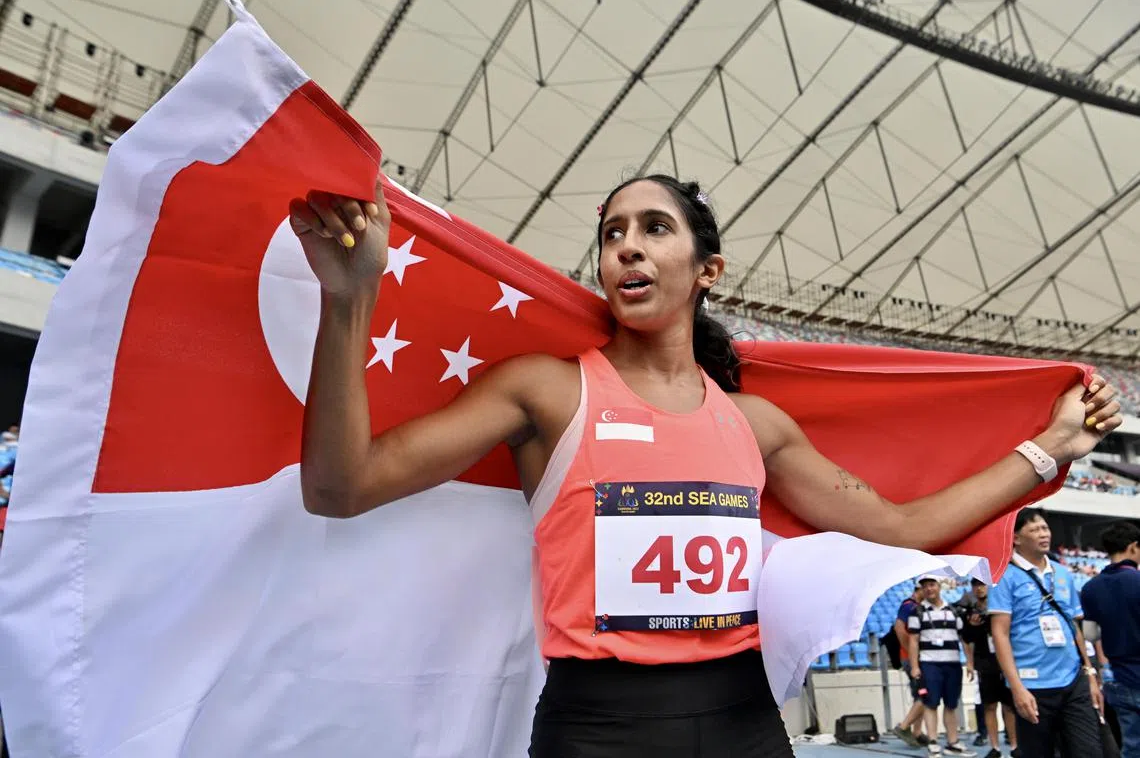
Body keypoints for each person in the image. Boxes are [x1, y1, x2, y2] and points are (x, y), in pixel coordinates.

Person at [290, 174, 1124, 757]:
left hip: (742, 722)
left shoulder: (755, 425)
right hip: (597, 729)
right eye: (611, 233)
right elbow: (341, 485)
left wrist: (1047, 451)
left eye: (654, 228)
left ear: (706, 270)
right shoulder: (548, 393)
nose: (626, 247)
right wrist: (349, 295)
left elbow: (906, 527)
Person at [990, 510, 1104, 758]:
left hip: (1074, 680)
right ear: (1016, 538)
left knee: (1090, 752)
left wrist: (1091, 672)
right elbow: (1000, 634)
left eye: (1045, 528)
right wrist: (1017, 687)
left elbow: (1077, 625)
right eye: (1035, 530)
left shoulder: (1062, 573)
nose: (1043, 534)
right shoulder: (1004, 577)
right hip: (1033, 687)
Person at [1081, 521, 1140, 758]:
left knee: (1131, 747)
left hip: (1118, 678)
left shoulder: (1090, 588)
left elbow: (1091, 635)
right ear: (1134, 547)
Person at [908, 575, 976, 755]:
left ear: (939, 586)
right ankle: (933, 741)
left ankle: (952, 742)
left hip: (952, 663)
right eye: (925, 586)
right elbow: (913, 641)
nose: (929, 589)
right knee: (931, 703)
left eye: (932, 585)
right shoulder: (917, 612)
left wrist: (969, 662)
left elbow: (964, 639)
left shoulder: (954, 611)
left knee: (951, 704)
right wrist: (915, 666)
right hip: (930, 664)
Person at [961, 578, 1019, 758]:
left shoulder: (1001, 608)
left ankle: (1015, 745)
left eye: (982, 585)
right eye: (976, 585)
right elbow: (967, 639)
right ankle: (995, 747)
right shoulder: (971, 615)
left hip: (1006, 663)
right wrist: (970, 663)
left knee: (1009, 706)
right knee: (989, 706)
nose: (979, 589)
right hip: (985, 664)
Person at [893, 584, 933, 748]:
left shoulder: (920, 607)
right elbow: (899, 627)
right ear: (919, 590)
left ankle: (917, 732)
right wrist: (911, 653)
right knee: (925, 693)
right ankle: (904, 727)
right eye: (925, 588)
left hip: (918, 657)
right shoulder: (909, 606)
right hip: (911, 659)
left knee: (921, 693)